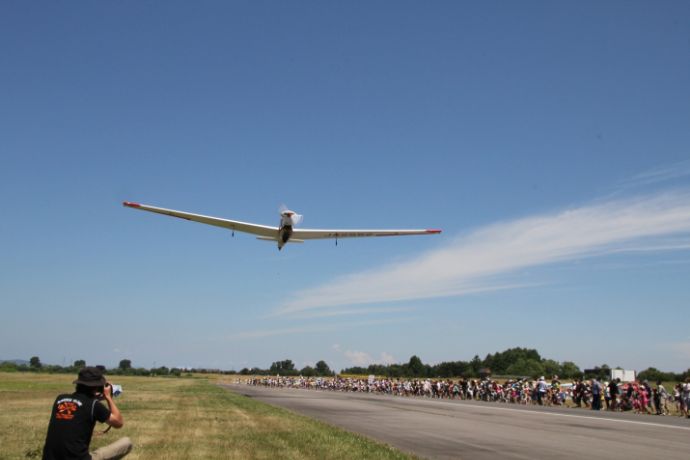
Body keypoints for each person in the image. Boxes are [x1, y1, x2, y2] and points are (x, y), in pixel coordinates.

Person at [43, 366, 132, 460]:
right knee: (127, 442)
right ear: (97, 387)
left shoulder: (60, 399)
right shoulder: (94, 405)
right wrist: (108, 397)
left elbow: (81, 404)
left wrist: (97, 398)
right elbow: (118, 423)